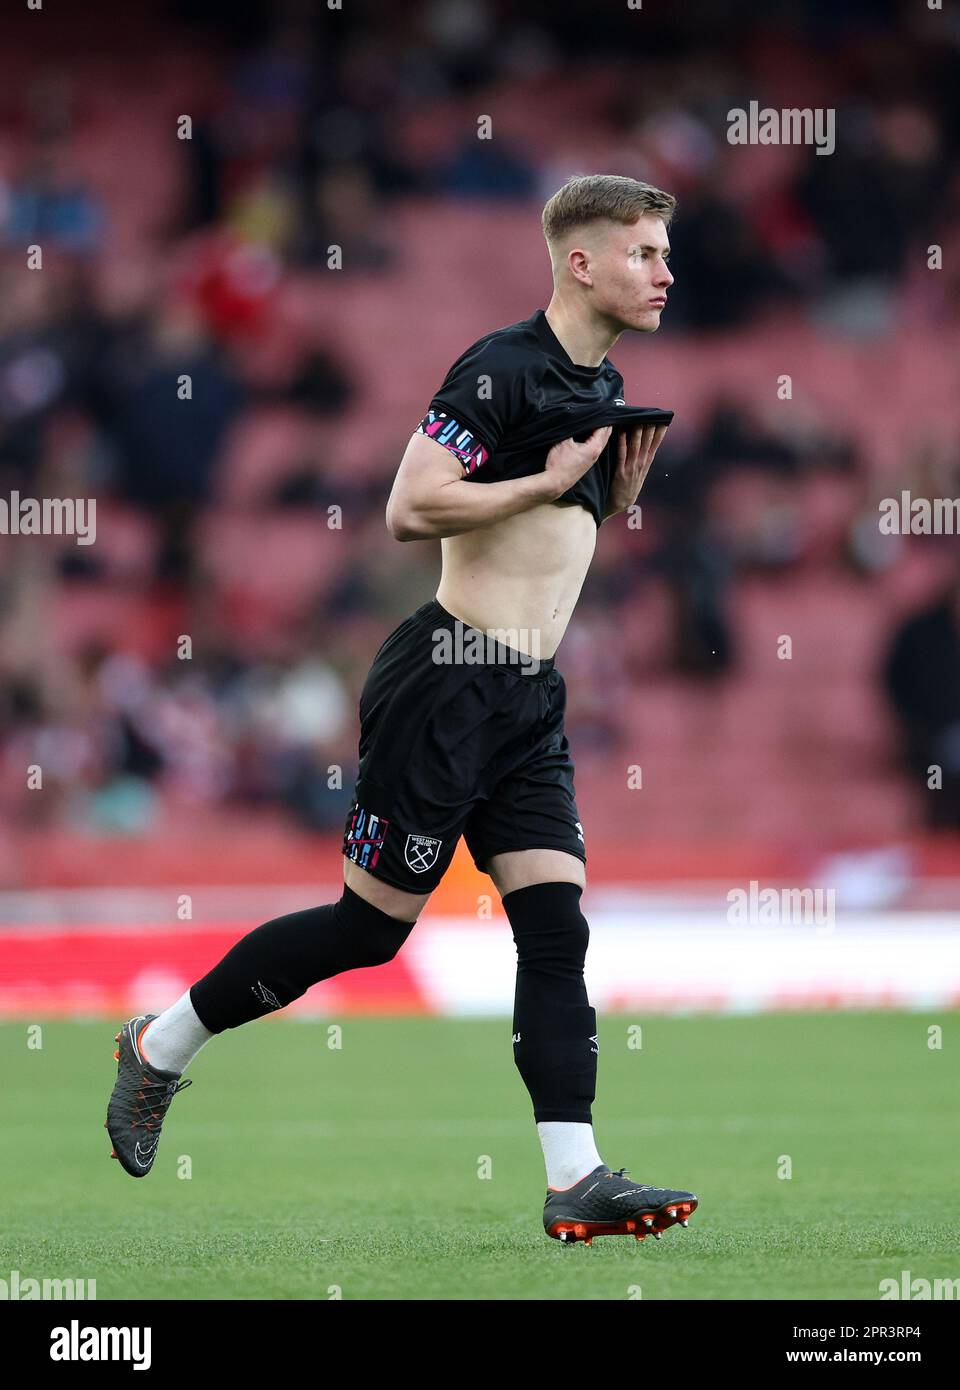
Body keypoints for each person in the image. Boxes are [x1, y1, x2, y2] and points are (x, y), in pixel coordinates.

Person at [105, 173, 698, 1245]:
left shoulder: (599, 378)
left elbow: (541, 528)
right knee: (368, 932)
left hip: (527, 695)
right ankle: (159, 1046)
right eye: (646, 252)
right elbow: (407, 505)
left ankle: (574, 1177)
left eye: (664, 253)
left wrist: (605, 499)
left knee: (554, 929)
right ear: (580, 260)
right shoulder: (500, 368)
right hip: (446, 677)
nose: (665, 271)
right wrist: (543, 482)